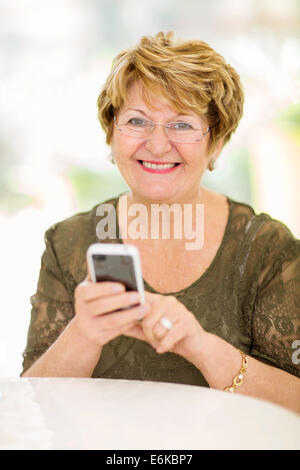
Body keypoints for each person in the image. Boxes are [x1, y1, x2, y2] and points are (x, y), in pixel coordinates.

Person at [22, 32, 300, 414]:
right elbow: (31, 406)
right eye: (138, 121)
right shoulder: (67, 242)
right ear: (111, 133)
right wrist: (83, 334)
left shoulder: (268, 248)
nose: (156, 145)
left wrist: (201, 346)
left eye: (182, 125)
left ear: (215, 142)